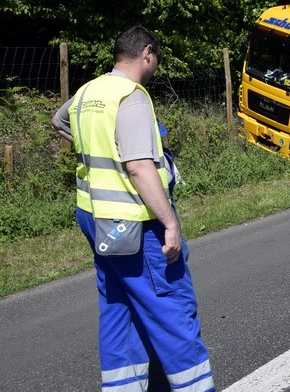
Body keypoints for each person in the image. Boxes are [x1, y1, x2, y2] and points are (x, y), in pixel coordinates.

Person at [52, 26, 215, 392]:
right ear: (147, 53)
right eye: (155, 58)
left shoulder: (89, 91)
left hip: (94, 218)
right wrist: (169, 223)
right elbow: (139, 166)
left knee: (118, 309)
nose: (155, 64)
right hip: (135, 224)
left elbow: (58, 120)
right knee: (172, 310)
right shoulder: (132, 96)